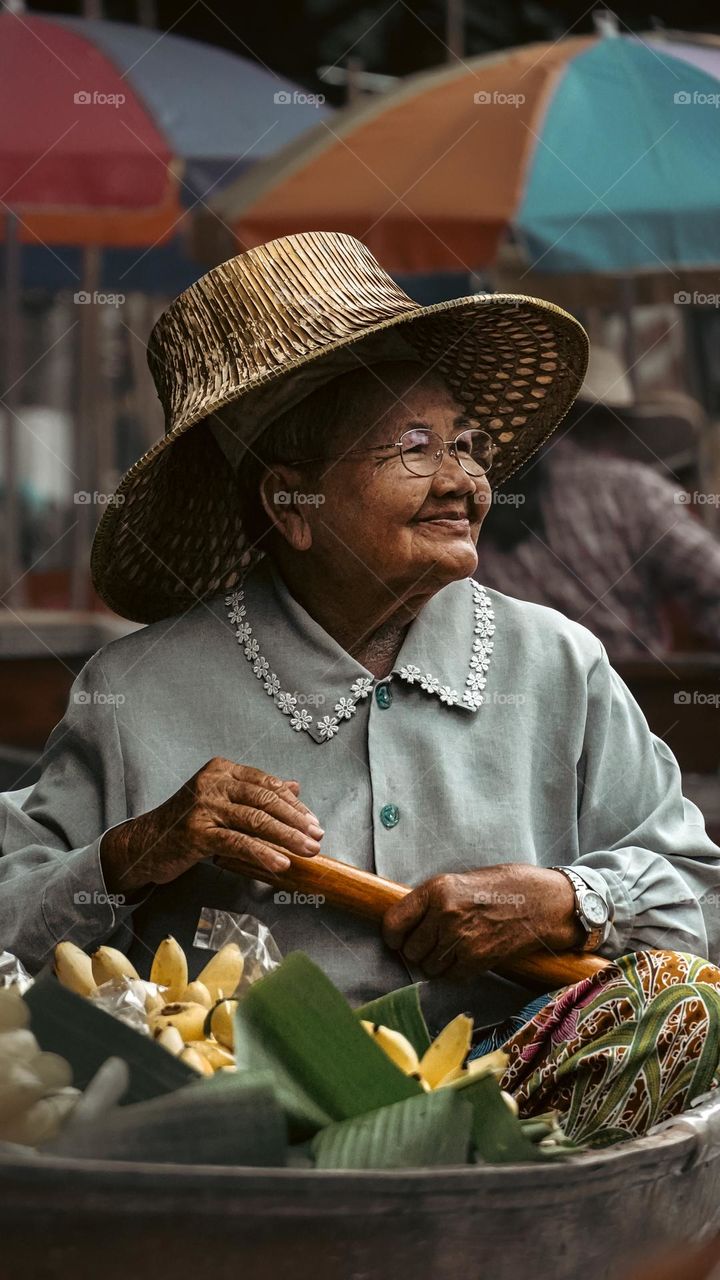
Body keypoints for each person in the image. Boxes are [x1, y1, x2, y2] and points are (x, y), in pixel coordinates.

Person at [1, 231, 720, 1146]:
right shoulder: (134, 691)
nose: (463, 482)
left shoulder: (557, 664)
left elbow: (701, 900)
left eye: (467, 445)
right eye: (415, 448)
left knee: (685, 1001)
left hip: (518, 1127)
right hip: (231, 1130)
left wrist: (569, 901)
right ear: (291, 506)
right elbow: (10, 920)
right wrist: (135, 851)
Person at [477, 349, 720, 658]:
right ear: (611, 425)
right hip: (631, 683)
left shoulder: (481, 493)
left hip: (517, 681)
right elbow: (712, 580)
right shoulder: (635, 490)